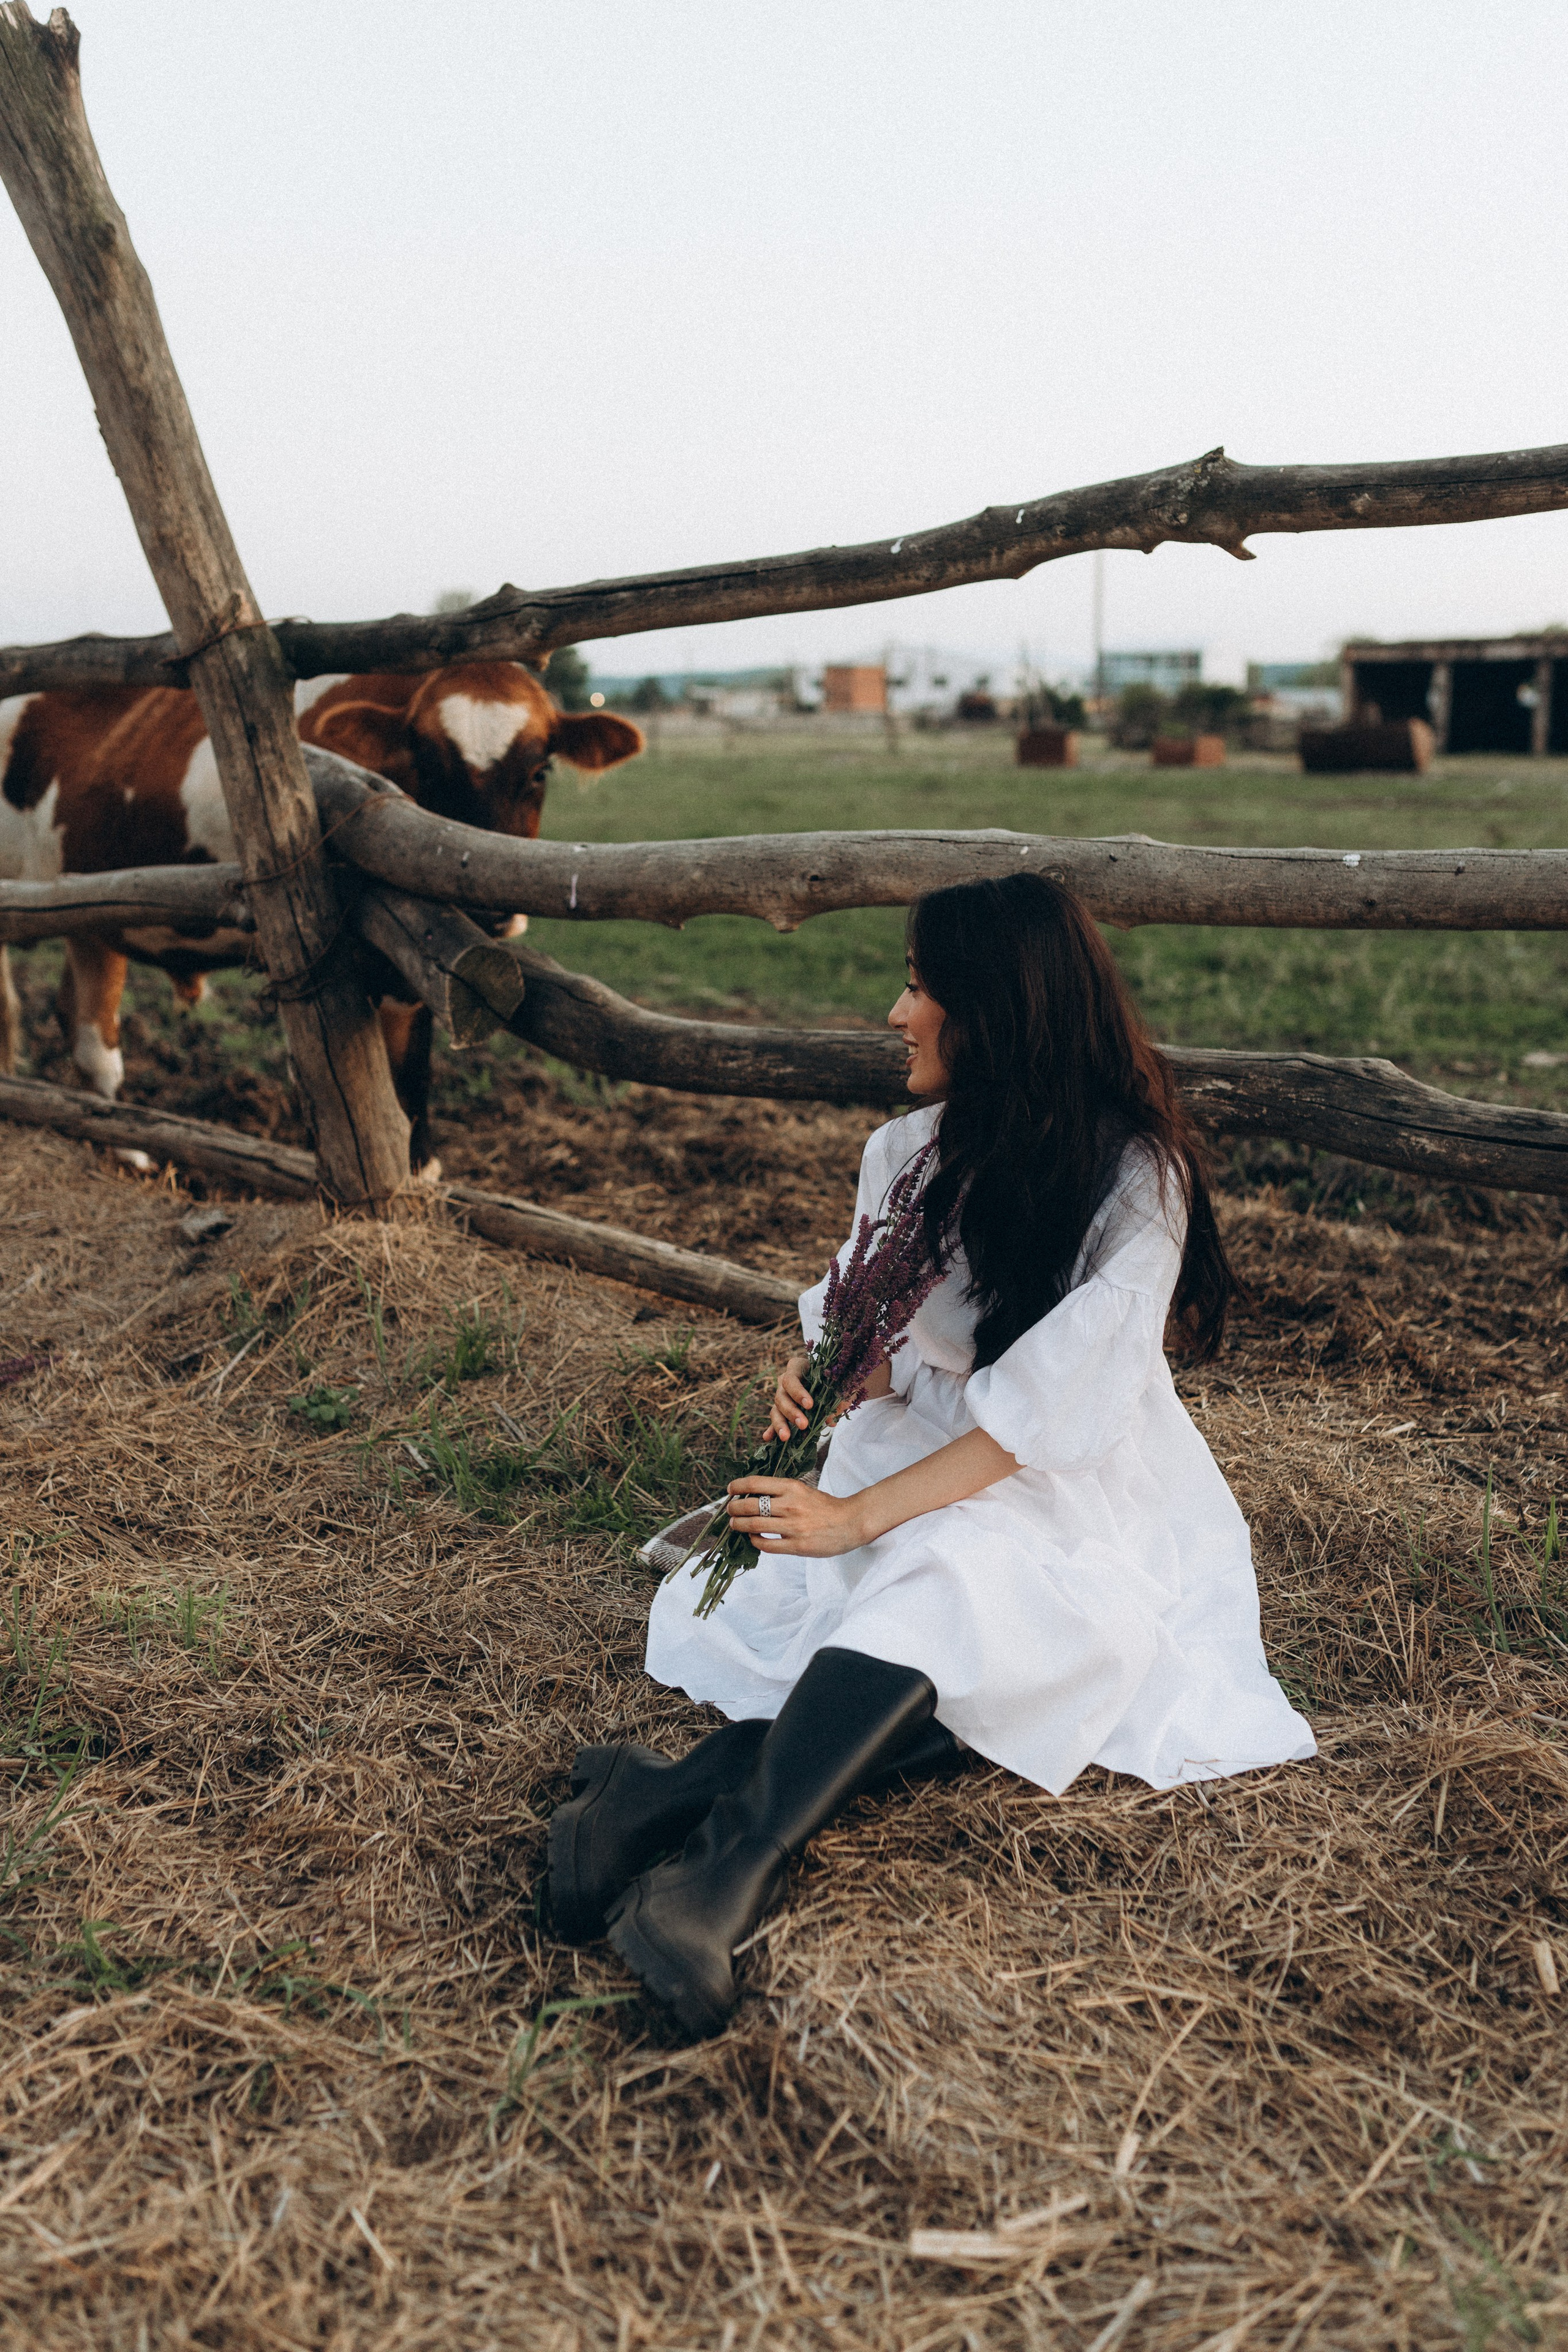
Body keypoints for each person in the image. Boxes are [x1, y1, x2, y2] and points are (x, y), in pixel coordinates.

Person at [546, 873, 1315, 2038]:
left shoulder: (1134, 1177)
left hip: (1071, 1475)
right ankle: (707, 1869)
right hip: (909, 1448)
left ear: (996, 1008)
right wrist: (828, 1371)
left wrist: (857, 1519)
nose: (895, 1015)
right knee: (963, 1606)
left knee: (1033, 1612)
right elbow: (881, 1345)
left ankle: (688, 1817)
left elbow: (1053, 1409)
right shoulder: (904, 1151)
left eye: (919, 988)